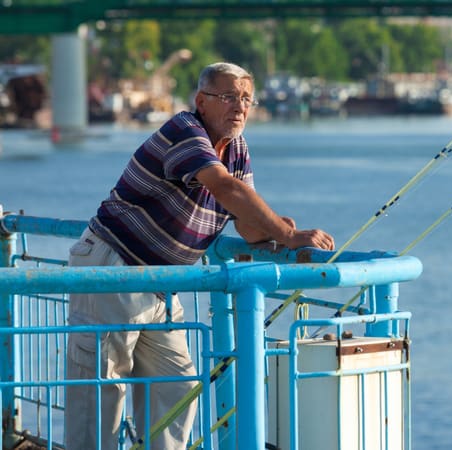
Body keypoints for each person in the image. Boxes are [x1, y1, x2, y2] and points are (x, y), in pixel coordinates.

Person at [65, 62, 335, 449]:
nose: (239, 107)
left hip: (162, 282)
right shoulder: (185, 131)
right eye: (228, 97)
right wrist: (288, 234)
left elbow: (244, 222)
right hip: (115, 265)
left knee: (177, 386)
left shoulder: (237, 148)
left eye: (246, 99)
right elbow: (224, 188)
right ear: (201, 102)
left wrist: (273, 229)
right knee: (102, 388)